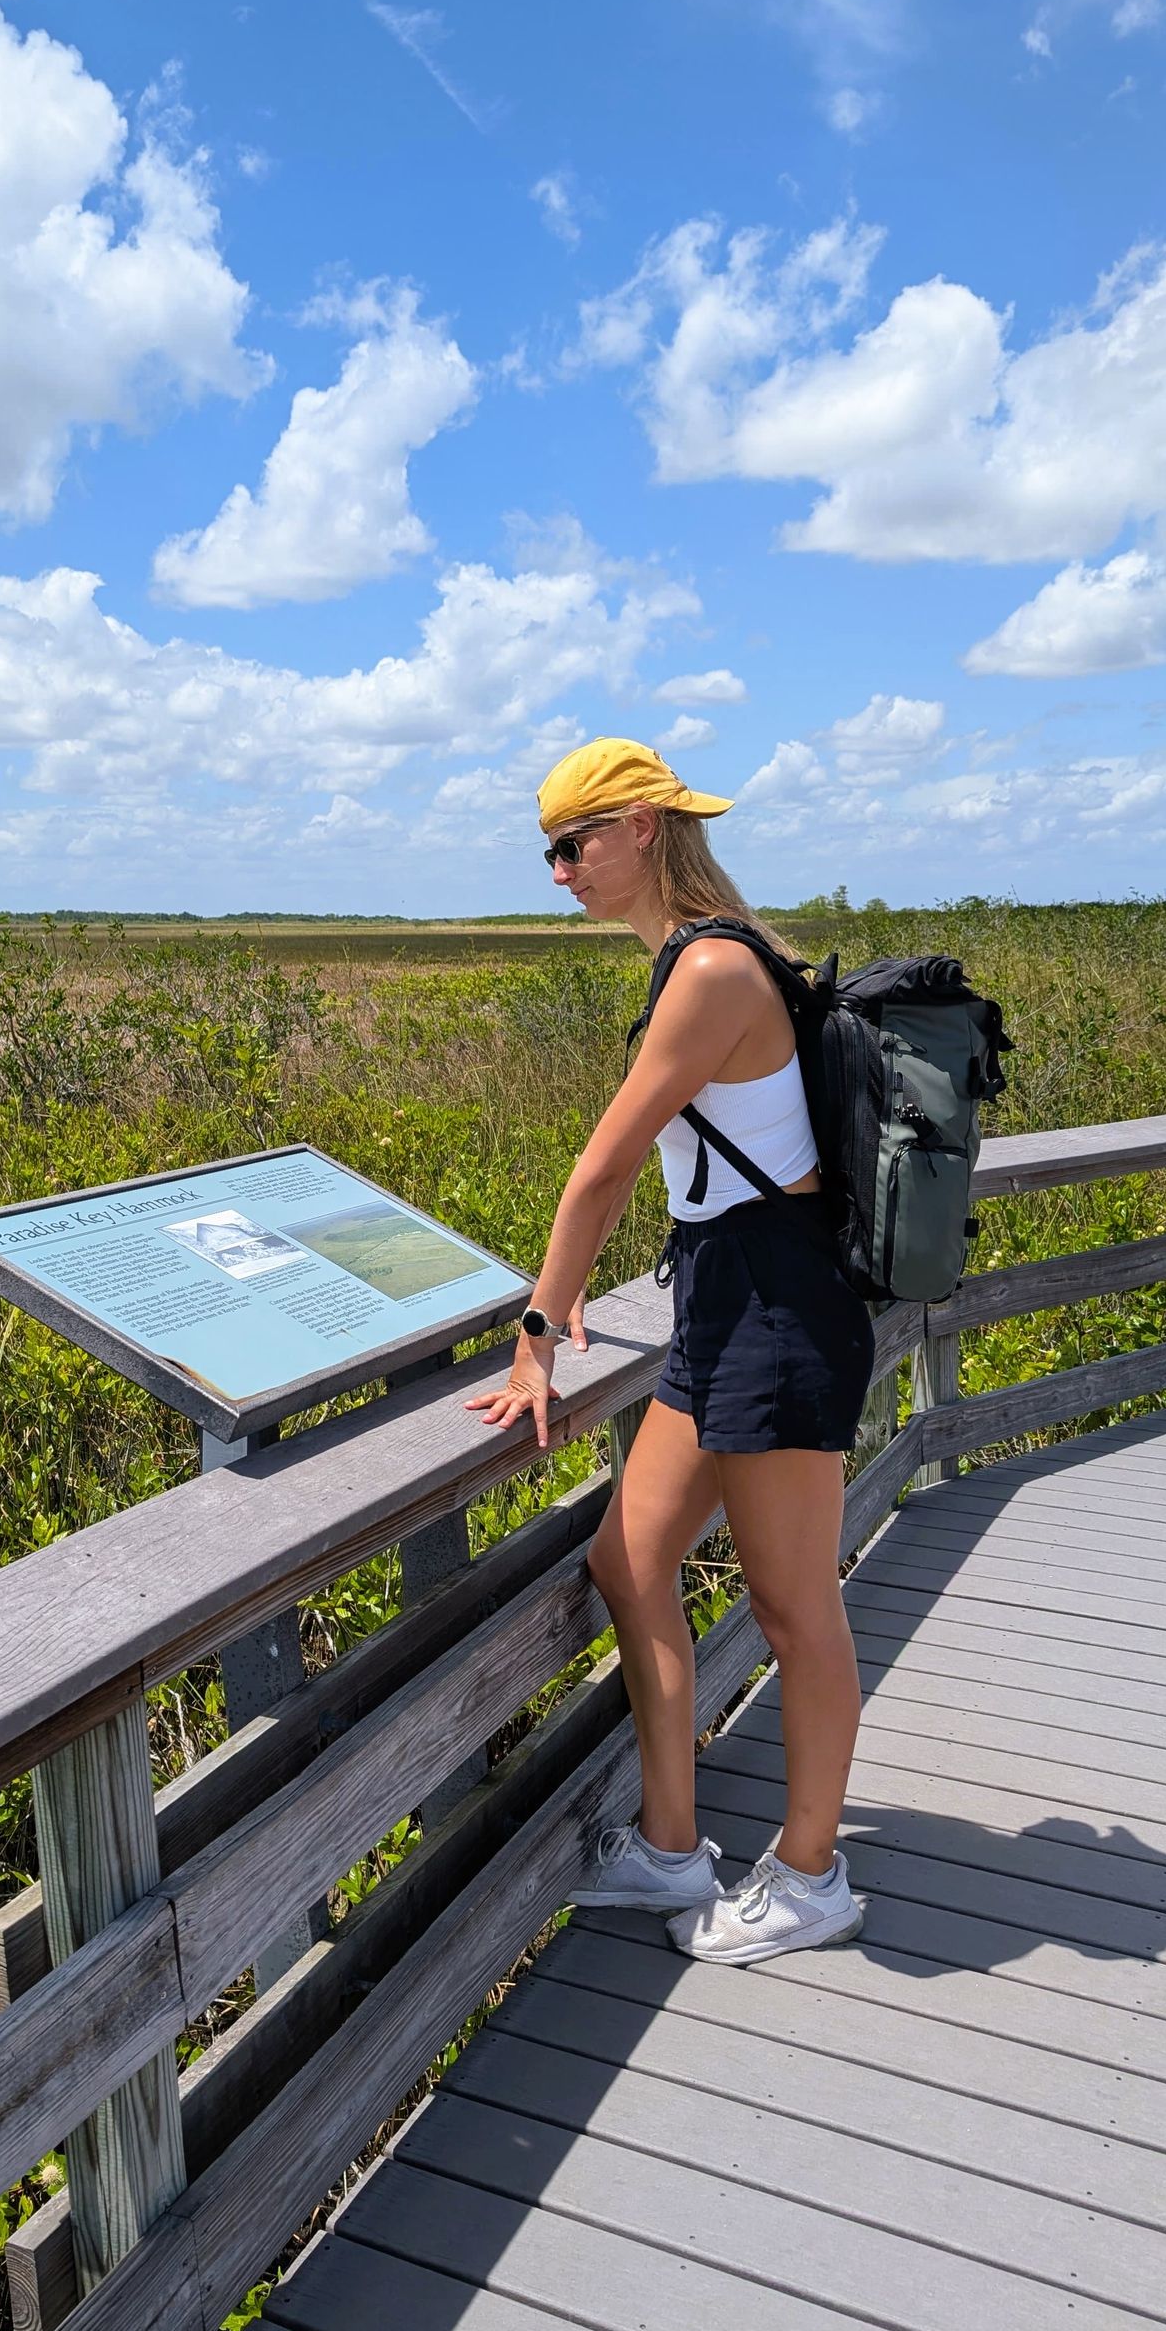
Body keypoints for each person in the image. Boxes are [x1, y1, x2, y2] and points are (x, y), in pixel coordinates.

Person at [467, 737, 873, 1963]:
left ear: (642, 827)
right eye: (547, 852)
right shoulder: (699, 957)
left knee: (793, 1608)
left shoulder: (709, 968)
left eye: (573, 845)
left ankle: (812, 1876)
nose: (559, 872)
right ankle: (671, 1846)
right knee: (629, 1560)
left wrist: (539, 1333)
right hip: (721, 1296)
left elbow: (603, 1167)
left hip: (777, 1308)